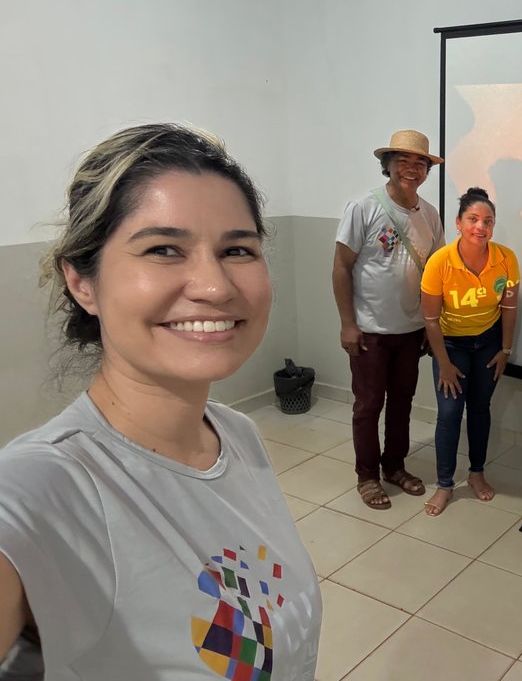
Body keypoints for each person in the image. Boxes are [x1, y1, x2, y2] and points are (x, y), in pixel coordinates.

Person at [0, 124, 321, 679]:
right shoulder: (41, 488)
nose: (215, 286)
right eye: (163, 249)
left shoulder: (237, 434)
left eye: (237, 250)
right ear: (82, 282)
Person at [332, 130, 445, 509]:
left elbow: (435, 275)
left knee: (402, 403)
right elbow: (341, 268)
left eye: (420, 163)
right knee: (368, 406)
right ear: (388, 165)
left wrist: (431, 325)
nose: (412, 169)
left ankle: (394, 466)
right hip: (369, 333)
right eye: (404, 161)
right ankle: (367, 476)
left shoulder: (430, 215)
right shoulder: (363, 207)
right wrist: (348, 324)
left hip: (411, 331)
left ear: (427, 171)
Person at [420, 187, 519, 517]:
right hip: (450, 345)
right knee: (449, 413)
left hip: (488, 343)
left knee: (479, 408)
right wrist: (444, 363)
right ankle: (444, 485)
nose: (481, 227)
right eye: (473, 219)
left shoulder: (506, 258)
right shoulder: (440, 262)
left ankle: (477, 473)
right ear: (458, 223)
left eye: (488, 221)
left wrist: (505, 350)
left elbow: (509, 308)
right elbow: (430, 319)